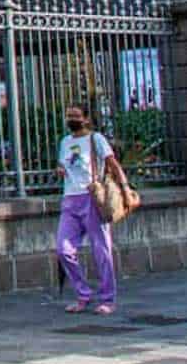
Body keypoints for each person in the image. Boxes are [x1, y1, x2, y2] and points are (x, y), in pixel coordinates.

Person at [56, 101, 132, 315]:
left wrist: (125, 188)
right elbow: (65, 164)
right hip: (70, 198)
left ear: (86, 119)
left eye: (76, 115)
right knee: (63, 249)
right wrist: (61, 169)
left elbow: (112, 163)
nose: (71, 119)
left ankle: (108, 298)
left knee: (101, 250)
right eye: (69, 115)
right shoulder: (65, 142)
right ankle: (83, 293)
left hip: (92, 197)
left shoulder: (95, 139)